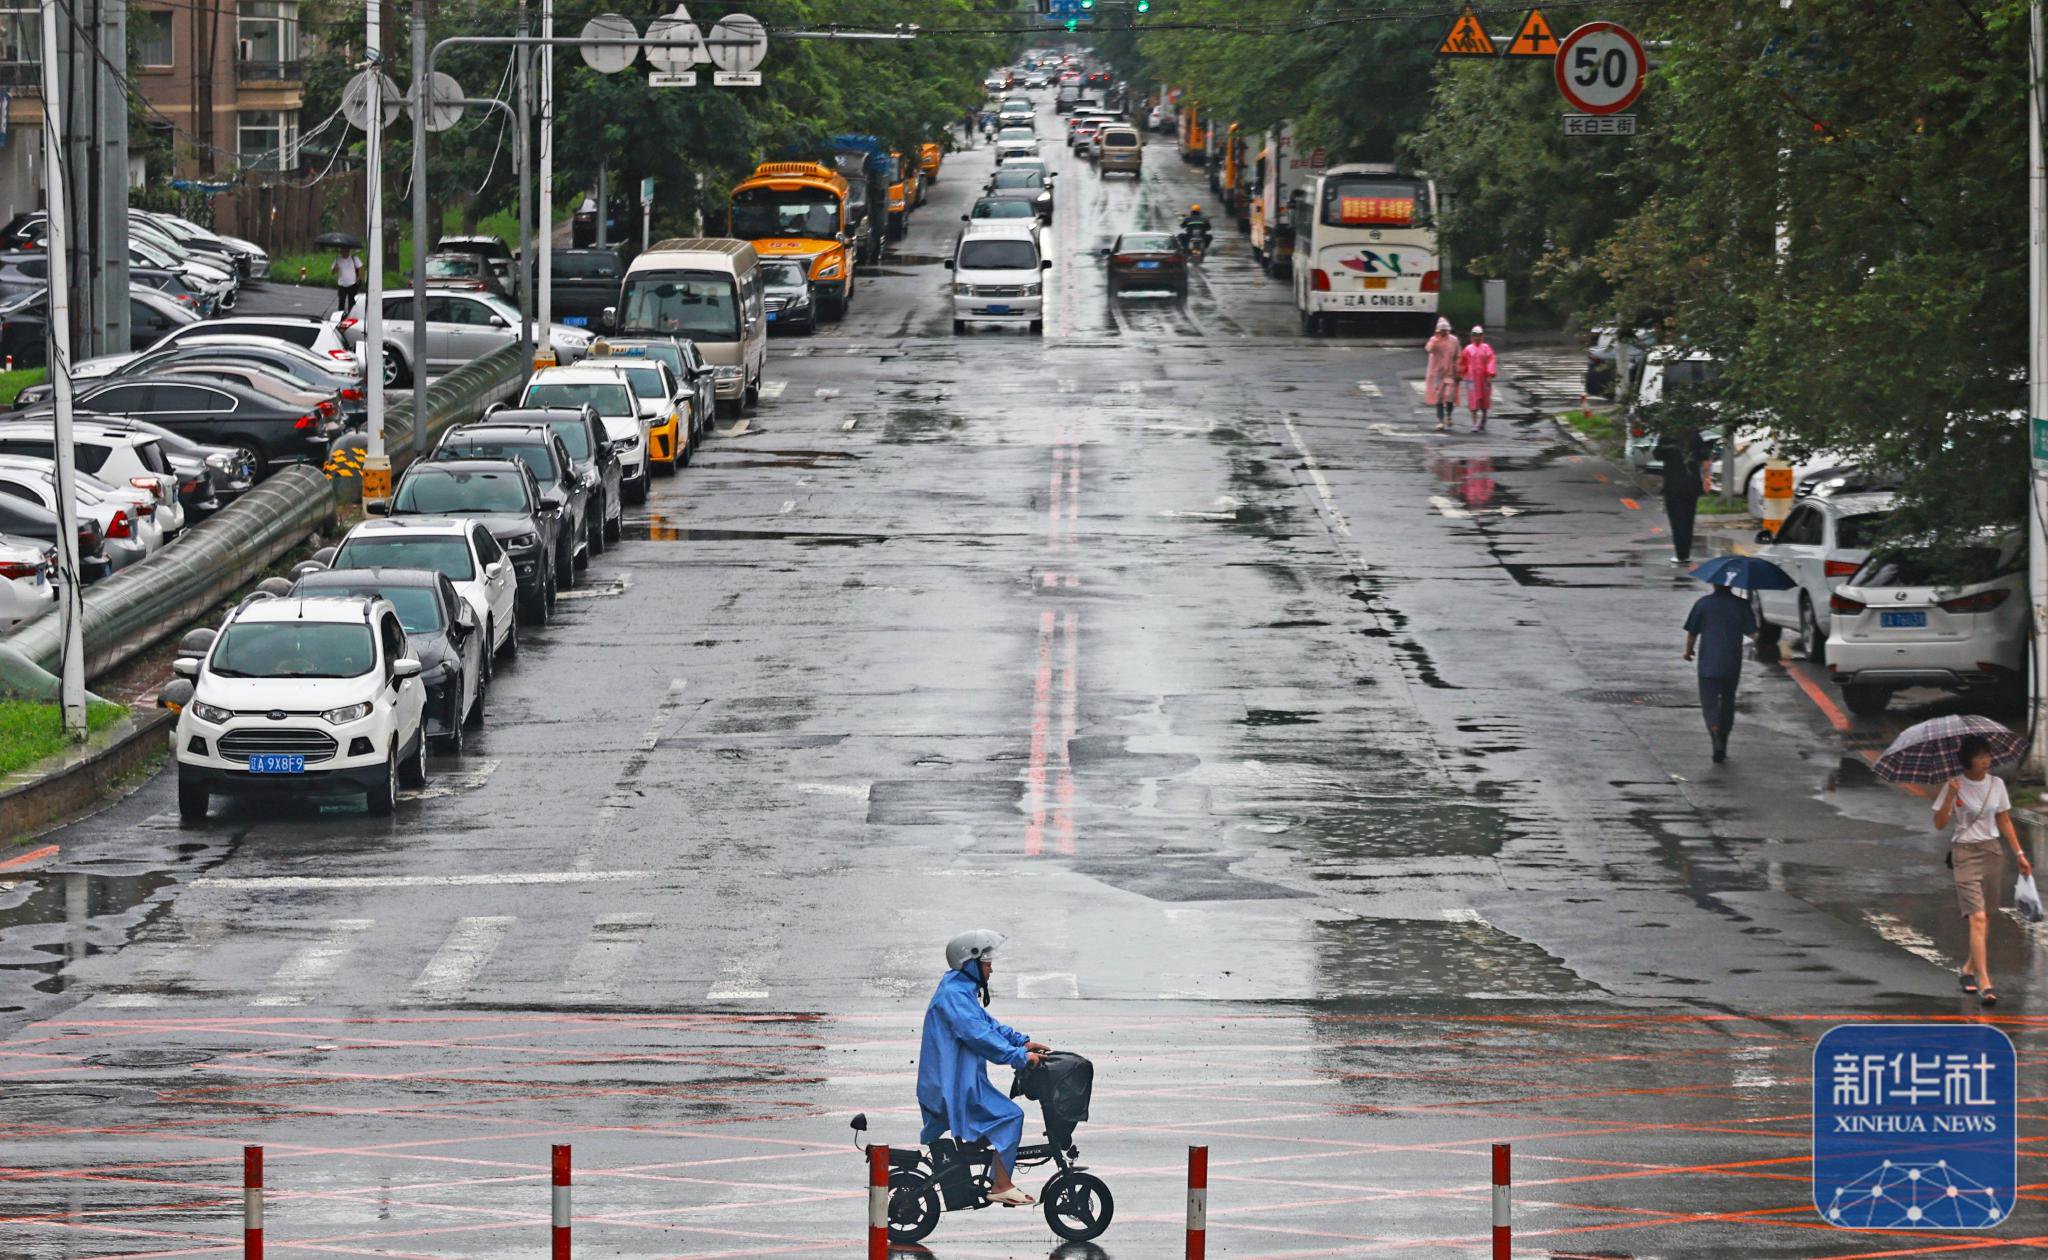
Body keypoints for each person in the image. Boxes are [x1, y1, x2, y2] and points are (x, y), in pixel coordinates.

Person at [917, 930, 1051, 1206]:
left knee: (998, 1119)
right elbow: (979, 1036)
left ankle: (992, 1176)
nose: (991, 969)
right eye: (987, 963)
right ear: (971, 962)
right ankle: (1001, 1184)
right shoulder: (954, 996)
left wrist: (1021, 1042)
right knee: (1010, 1116)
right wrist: (1018, 1057)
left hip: (961, 1081)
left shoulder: (959, 990)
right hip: (953, 1087)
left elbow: (988, 1025)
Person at [1934, 735, 2032, 1006]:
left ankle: (1967, 969)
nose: (1987, 760)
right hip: (1964, 853)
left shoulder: (1997, 784)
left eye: (1988, 755)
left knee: (1985, 916)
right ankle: (1985, 982)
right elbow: (1939, 823)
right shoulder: (1954, 785)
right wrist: (1950, 796)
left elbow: (2004, 819)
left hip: (1991, 853)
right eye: (1980, 756)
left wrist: (2020, 854)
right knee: (1977, 917)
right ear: (1968, 760)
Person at [1681, 577, 1756, 763]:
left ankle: (1714, 733)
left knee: (1709, 702)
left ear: (1713, 583)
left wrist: (1688, 651)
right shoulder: (1741, 605)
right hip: (1731, 662)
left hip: (1708, 663)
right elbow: (1752, 633)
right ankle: (1724, 737)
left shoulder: (1703, 604)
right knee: (1728, 700)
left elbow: (1692, 631)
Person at [1653, 428, 1712, 564]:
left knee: (1676, 519)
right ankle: (1686, 553)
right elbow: (1705, 461)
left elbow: (1657, 455)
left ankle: (1681, 554)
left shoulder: (1667, 436)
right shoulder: (1695, 436)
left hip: (1673, 484)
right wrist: (1707, 479)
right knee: (1688, 518)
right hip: (1692, 483)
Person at [1424, 318, 1461, 432]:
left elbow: (1458, 356)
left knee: (1450, 395)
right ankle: (1440, 421)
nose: (1444, 332)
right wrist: (1435, 339)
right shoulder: (1434, 340)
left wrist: (1458, 370)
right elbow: (1428, 349)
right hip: (1438, 373)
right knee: (1439, 398)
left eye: (1446, 330)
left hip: (1450, 372)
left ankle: (1449, 415)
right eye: (1442, 330)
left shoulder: (1454, 340)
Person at [1458, 326, 1497, 432]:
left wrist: (1490, 374)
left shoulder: (1486, 348)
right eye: (1475, 336)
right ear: (1472, 336)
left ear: (1482, 336)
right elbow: (1463, 362)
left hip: (1484, 378)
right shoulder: (1468, 349)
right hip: (1471, 378)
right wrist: (1461, 373)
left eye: (1479, 336)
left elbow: (1491, 361)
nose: (1477, 338)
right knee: (1473, 399)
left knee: (1484, 399)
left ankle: (1483, 418)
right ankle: (1474, 423)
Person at [331, 247, 363, 317]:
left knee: (352, 301)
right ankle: (340, 316)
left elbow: (360, 267)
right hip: (341, 284)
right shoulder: (337, 259)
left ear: (348, 250)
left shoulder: (354, 258)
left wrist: (359, 278)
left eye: (345, 250)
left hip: (352, 284)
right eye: (342, 251)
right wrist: (335, 268)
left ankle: (351, 315)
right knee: (341, 301)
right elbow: (332, 272)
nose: (343, 252)